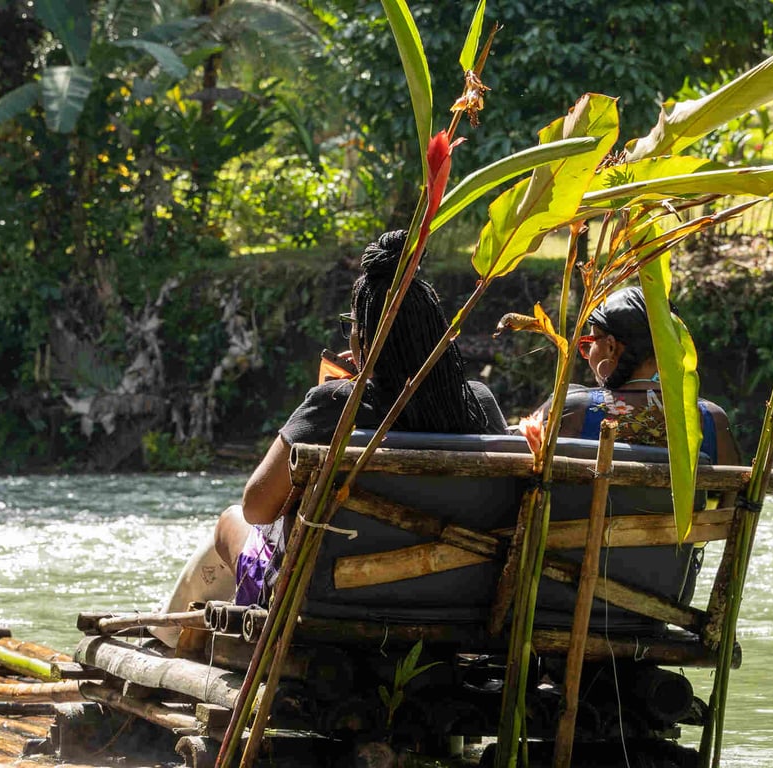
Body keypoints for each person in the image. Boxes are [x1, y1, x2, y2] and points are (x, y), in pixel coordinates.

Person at [153, 230, 508, 645]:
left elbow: (257, 508)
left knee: (229, 521)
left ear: (366, 338)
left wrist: (347, 390)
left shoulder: (335, 406)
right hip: (458, 599)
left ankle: (165, 638)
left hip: (328, 598)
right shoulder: (479, 404)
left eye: (352, 327)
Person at [523, 286, 740, 465]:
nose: (587, 355)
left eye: (589, 344)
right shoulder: (711, 418)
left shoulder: (571, 409)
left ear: (610, 347)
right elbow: (732, 500)